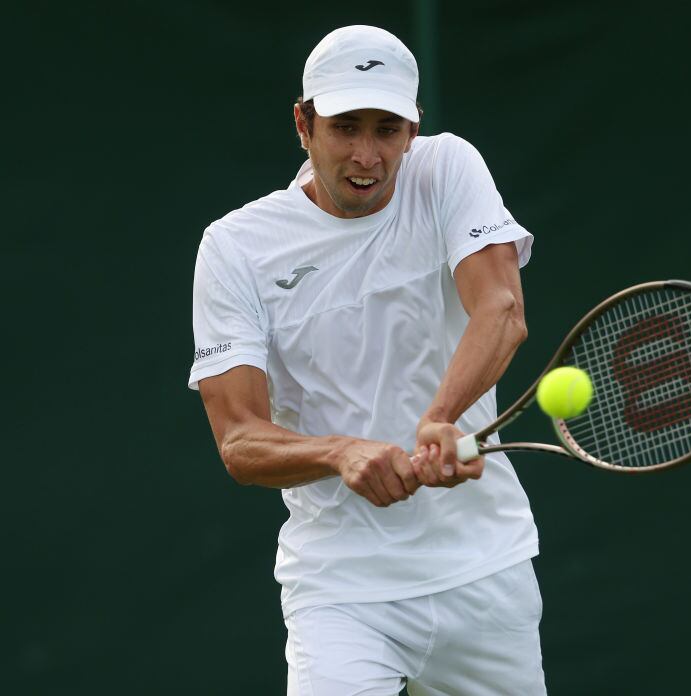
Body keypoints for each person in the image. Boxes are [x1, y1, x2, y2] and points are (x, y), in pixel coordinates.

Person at [188, 24, 545, 696]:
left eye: (387, 129)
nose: (366, 154)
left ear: (414, 129)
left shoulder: (447, 170)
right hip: (342, 588)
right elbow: (239, 439)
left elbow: (501, 308)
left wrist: (441, 417)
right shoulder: (236, 248)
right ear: (303, 123)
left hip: (484, 574)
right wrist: (342, 453)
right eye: (345, 126)